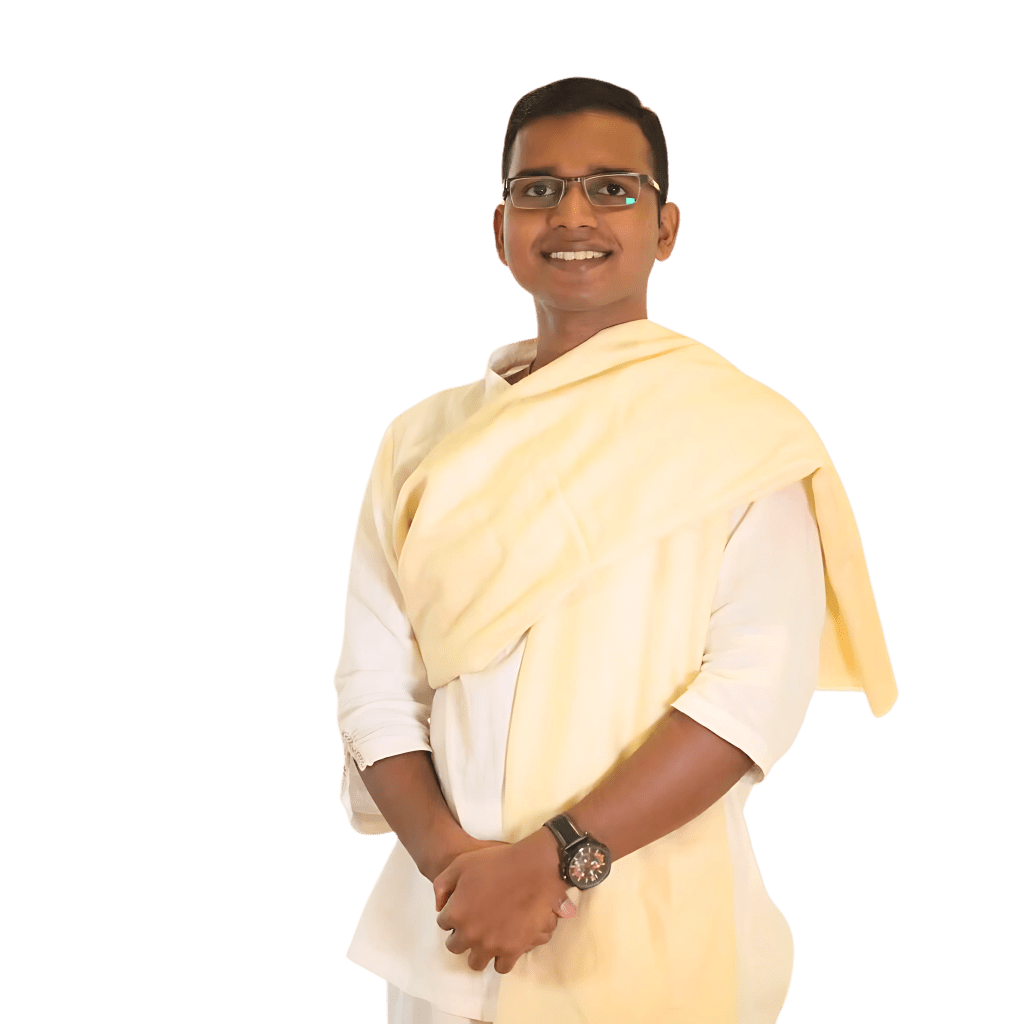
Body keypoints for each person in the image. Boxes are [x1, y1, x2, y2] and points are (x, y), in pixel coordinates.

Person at [334, 77, 897, 1024]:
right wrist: (460, 872)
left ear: (665, 227)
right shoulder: (421, 440)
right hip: (456, 931)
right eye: (538, 189)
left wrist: (556, 860)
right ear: (501, 227)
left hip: (665, 924)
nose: (572, 215)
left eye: (612, 188)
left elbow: (751, 693)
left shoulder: (742, 430)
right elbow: (374, 685)